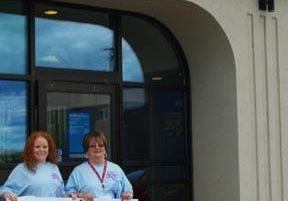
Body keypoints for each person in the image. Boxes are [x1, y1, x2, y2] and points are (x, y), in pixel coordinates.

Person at [65, 131, 133, 201]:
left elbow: (128, 190)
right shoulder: (78, 171)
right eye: (92, 146)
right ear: (87, 151)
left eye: (101, 145)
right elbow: (68, 194)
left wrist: (127, 194)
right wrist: (81, 195)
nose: (97, 147)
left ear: (105, 150)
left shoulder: (116, 169)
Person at [0, 131, 65, 201]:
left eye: (45, 147)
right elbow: (5, 189)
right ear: (30, 149)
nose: (41, 150)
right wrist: (6, 194)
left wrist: (70, 195)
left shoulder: (54, 168)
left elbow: (61, 193)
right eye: (37, 147)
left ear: (49, 149)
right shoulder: (21, 169)